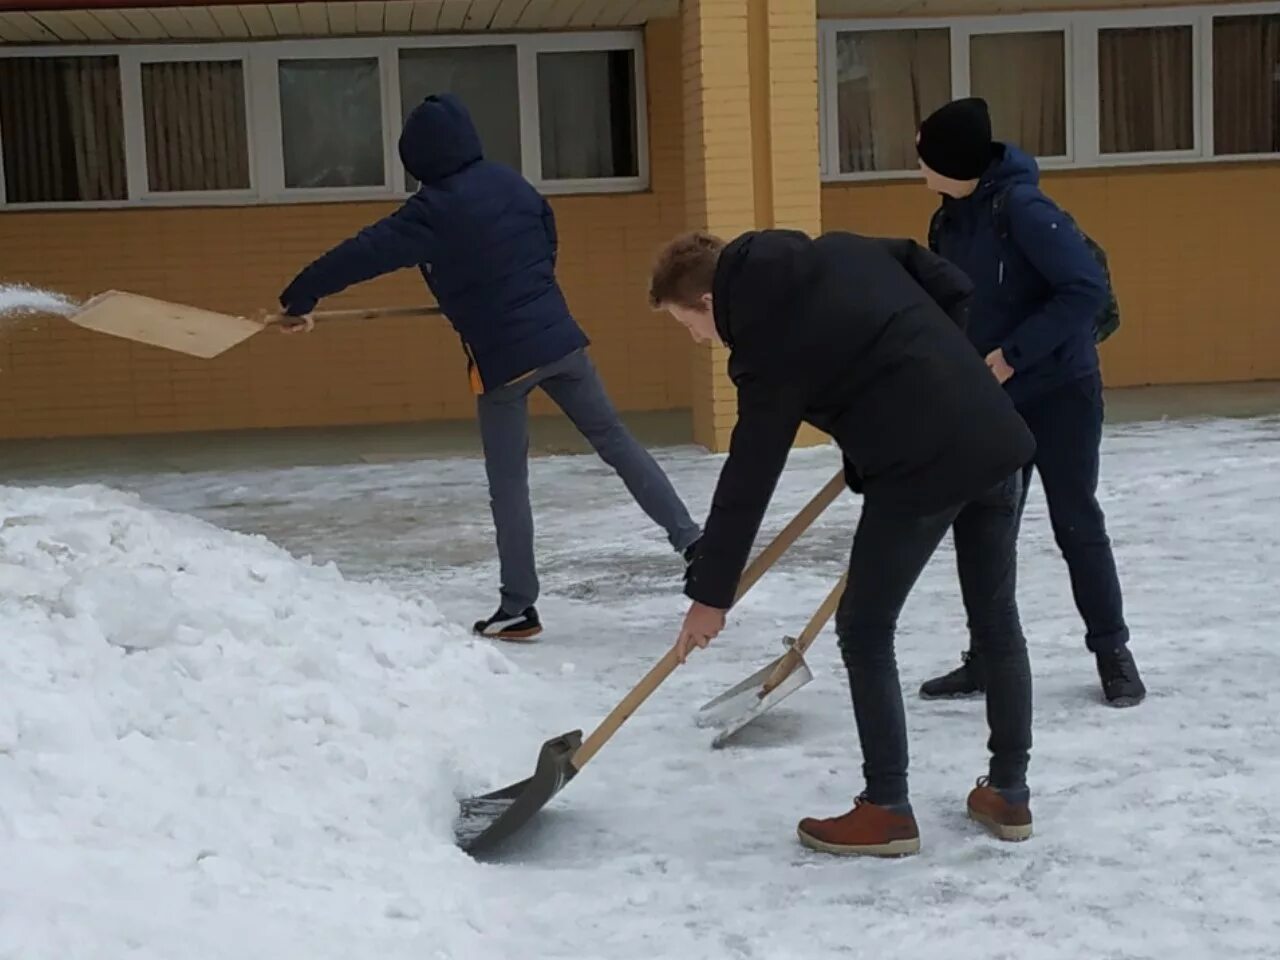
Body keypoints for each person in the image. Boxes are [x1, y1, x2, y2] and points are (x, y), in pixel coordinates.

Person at [650, 228, 1037, 856]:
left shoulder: (765, 345)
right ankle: (1009, 792)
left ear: (704, 300)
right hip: (993, 435)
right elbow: (950, 283)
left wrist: (710, 596)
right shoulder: (844, 250)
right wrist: (933, 372)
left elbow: (749, 475)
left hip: (921, 467)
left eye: (687, 325)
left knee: (864, 628)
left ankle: (886, 808)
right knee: (995, 616)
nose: (697, 339)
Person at [276, 93, 702, 641]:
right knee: (618, 443)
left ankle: (519, 606)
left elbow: (360, 254)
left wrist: (300, 298)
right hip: (560, 340)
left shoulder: (431, 210)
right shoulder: (512, 184)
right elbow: (547, 240)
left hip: (503, 362)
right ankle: (693, 542)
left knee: (509, 483)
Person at [914, 97, 1146, 707]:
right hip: (991, 399)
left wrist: (1014, 353)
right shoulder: (948, 219)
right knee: (987, 529)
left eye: (926, 156)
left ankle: (1113, 653)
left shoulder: (1021, 207)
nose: (918, 167)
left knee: (1075, 519)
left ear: (953, 161)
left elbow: (1084, 290)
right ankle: (987, 656)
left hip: (1060, 391)